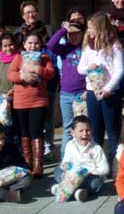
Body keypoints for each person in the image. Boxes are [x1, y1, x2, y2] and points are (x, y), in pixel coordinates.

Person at [77, 11, 124, 167]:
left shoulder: (114, 47)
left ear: (101, 28)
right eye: (88, 28)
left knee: (112, 128)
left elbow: (119, 70)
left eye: (92, 28)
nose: (89, 31)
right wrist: (89, 68)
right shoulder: (88, 48)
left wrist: (109, 88)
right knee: (95, 128)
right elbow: (80, 69)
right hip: (92, 92)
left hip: (110, 93)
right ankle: (97, 161)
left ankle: (113, 162)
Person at [7, 32, 56, 178]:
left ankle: (37, 165)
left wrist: (37, 69)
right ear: (24, 45)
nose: (33, 46)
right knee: (24, 132)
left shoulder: (44, 58)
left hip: (38, 100)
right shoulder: (19, 57)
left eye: (36, 43)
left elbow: (51, 73)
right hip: (20, 101)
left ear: (40, 45)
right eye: (30, 43)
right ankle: (27, 163)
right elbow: (10, 74)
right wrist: (23, 76)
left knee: (36, 130)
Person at [47, 15, 87, 158]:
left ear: (83, 34)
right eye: (71, 34)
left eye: (77, 33)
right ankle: (65, 158)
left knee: (83, 127)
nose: (74, 36)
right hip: (66, 94)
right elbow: (51, 45)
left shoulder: (86, 48)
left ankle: (83, 157)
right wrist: (63, 30)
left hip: (82, 94)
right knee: (68, 127)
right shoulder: (64, 49)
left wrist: (88, 90)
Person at [50, 115, 109, 202]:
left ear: (91, 131)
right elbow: (65, 161)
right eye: (81, 131)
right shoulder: (70, 145)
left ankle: (66, 189)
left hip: (87, 178)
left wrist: (88, 171)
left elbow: (105, 169)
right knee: (57, 170)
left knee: (96, 183)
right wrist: (65, 166)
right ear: (73, 133)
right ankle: (72, 190)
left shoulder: (96, 148)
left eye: (87, 130)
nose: (85, 133)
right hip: (71, 176)